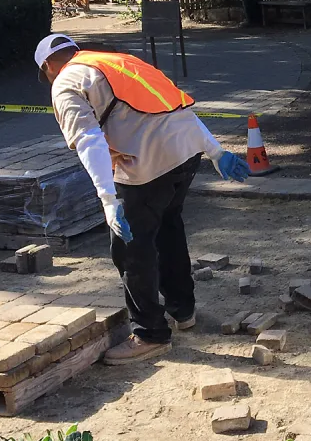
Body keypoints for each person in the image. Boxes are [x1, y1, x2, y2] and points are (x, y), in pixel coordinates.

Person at [34, 33, 252, 364]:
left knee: (132, 249)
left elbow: (88, 140)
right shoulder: (119, 62)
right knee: (168, 227)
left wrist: (108, 198)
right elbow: (177, 109)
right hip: (186, 157)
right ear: (74, 51)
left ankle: (150, 333)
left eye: (46, 74)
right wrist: (215, 152)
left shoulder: (65, 82)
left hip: (147, 167)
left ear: (49, 66)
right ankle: (183, 310)